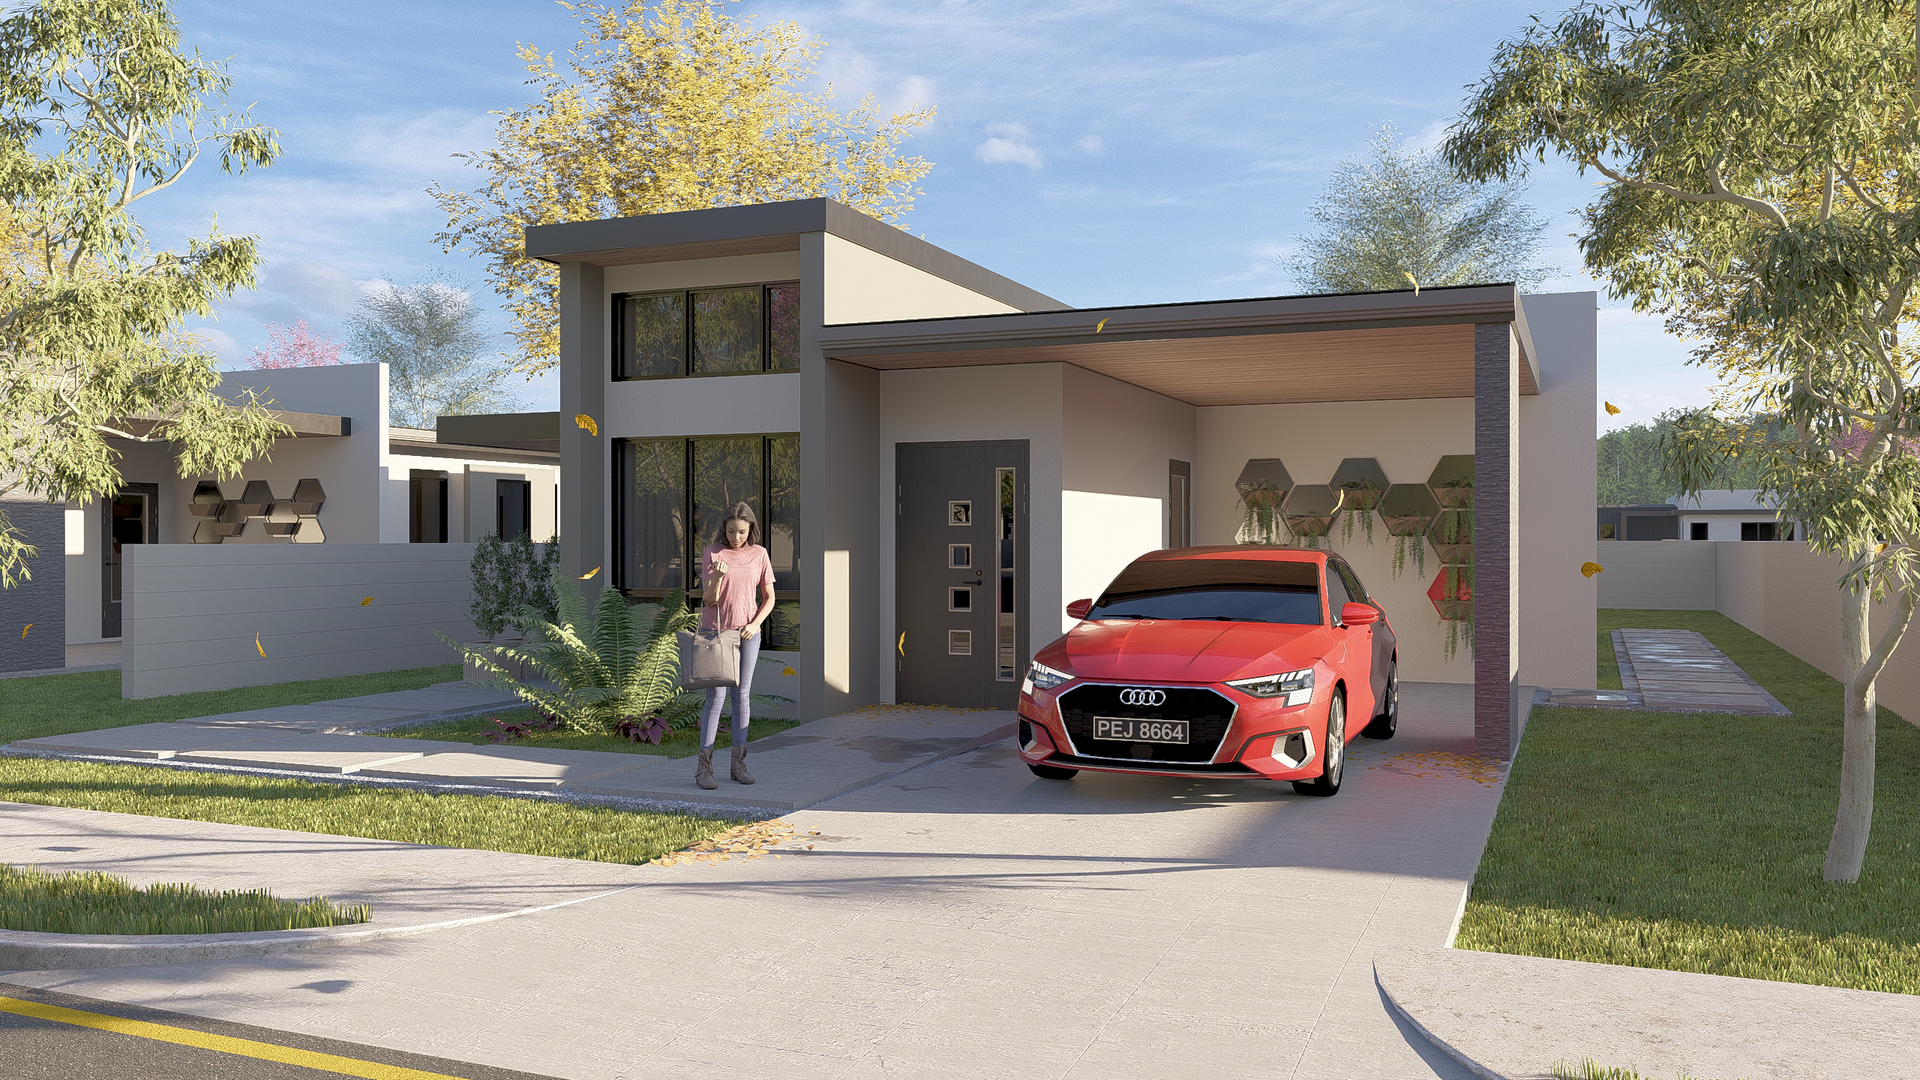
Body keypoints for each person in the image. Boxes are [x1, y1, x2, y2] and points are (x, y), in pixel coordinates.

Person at [694, 502, 777, 789]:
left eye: (742, 532)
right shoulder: (713, 552)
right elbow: (708, 601)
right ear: (724, 529)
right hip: (716, 634)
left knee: (741, 696)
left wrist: (755, 625)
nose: (736, 537)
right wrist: (717, 576)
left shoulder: (760, 555)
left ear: (751, 529)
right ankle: (704, 769)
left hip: (747, 635)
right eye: (731, 531)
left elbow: (769, 598)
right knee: (715, 698)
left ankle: (738, 765)